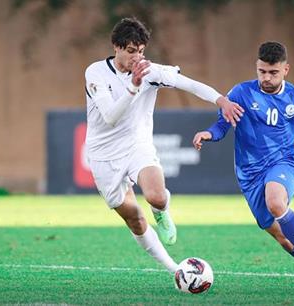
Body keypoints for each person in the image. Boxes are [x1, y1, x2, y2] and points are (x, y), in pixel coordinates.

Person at [84, 17, 243, 273]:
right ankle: (174, 269)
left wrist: (221, 100)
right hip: (103, 155)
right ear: (116, 47)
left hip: (137, 145)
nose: (137, 58)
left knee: (156, 197)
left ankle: (162, 212)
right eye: (131, 51)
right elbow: (110, 116)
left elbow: (189, 84)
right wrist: (134, 87)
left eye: (141, 51)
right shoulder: (95, 72)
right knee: (134, 219)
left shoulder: (150, 71)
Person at [193, 41, 294, 291]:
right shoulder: (241, 93)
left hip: (283, 163)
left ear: (286, 70)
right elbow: (222, 124)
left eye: (273, 72)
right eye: (262, 71)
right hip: (249, 174)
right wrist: (209, 134)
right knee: (283, 238)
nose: (266, 78)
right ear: (256, 68)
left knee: (275, 201)